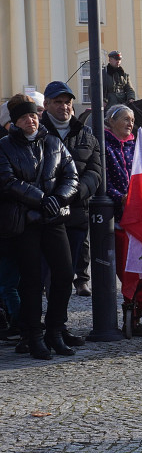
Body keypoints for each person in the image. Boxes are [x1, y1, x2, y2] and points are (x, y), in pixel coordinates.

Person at [0, 94, 80, 360]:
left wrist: (58, 199)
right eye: (24, 117)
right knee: (31, 282)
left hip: (53, 218)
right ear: (15, 122)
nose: (30, 120)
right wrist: (42, 199)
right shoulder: (5, 147)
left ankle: (55, 330)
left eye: (33, 115)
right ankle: (33, 335)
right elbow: (8, 182)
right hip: (25, 222)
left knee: (64, 274)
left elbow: (71, 175)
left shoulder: (54, 142)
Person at [39, 81, 100, 319]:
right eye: (58, 102)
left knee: (65, 276)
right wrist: (51, 198)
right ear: (46, 105)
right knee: (41, 277)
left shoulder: (85, 133)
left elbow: (95, 173)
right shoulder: (37, 133)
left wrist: (71, 194)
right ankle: (34, 327)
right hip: (45, 214)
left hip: (75, 213)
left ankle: (59, 325)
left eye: (67, 102)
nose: (64, 107)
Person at [103, 104, 142, 335]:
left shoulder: (135, 145)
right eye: (125, 119)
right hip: (118, 217)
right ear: (111, 121)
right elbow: (103, 182)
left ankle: (136, 315)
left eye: (132, 119)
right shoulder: (104, 145)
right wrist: (123, 198)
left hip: (139, 216)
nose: (131, 123)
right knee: (127, 267)